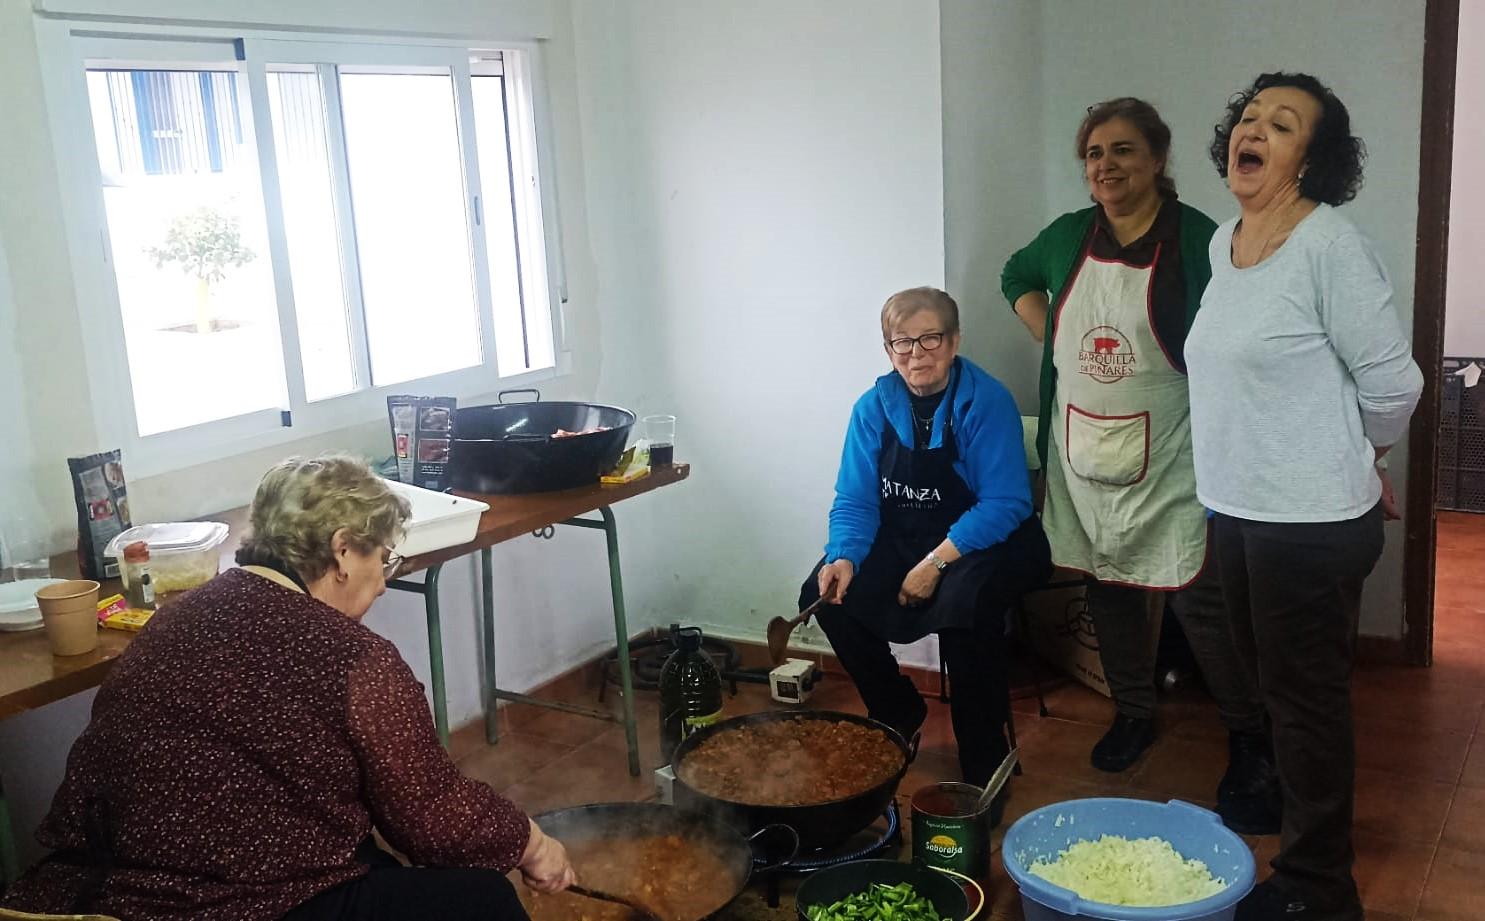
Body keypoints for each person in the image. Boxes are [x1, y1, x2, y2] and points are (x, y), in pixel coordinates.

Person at [1, 456, 572, 921]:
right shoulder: (356, 658)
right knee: (479, 900)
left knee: (368, 861)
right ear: (344, 550)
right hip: (231, 904)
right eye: (386, 558)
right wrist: (532, 844)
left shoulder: (173, 619)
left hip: (95, 889)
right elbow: (431, 821)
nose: (382, 580)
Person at [999, 98, 1276, 832]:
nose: (1105, 166)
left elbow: (1233, 337)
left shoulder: (1196, 239)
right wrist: (1046, 330)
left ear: (1156, 158)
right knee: (1111, 583)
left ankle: (1251, 736)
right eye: (1093, 153)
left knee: (1200, 599)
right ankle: (1132, 711)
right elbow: (1014, 274)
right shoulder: (1065, 237)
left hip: (1175, 454)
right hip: (1082, 450)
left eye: (1122, 150)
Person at [1188, 73, 1422, 921]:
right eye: (1247, 117)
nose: (1253, 130)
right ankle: (1300, 859)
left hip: (1310, 523)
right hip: (1241, 510)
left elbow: (1393, 382)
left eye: (1280, 124)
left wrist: (1366, 453)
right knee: (1273, 696)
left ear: (1309, 159)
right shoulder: (1226, 242)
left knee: (1304, 706)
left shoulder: (1329, 245)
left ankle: (1320, 891)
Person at [799, 286, 1052, 814]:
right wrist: (843, 554)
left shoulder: (986, 400)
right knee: (826, 592)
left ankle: (984, 760)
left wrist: (936, 563)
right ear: (889, 350)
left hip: (985, 538)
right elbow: (855, 498)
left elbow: (1006, 502)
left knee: (968, 610)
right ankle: (897, 709)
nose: (916, 354)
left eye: (930, 339)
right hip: (905, 534)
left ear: (955, 340)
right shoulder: (872, 408)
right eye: (902, 343)